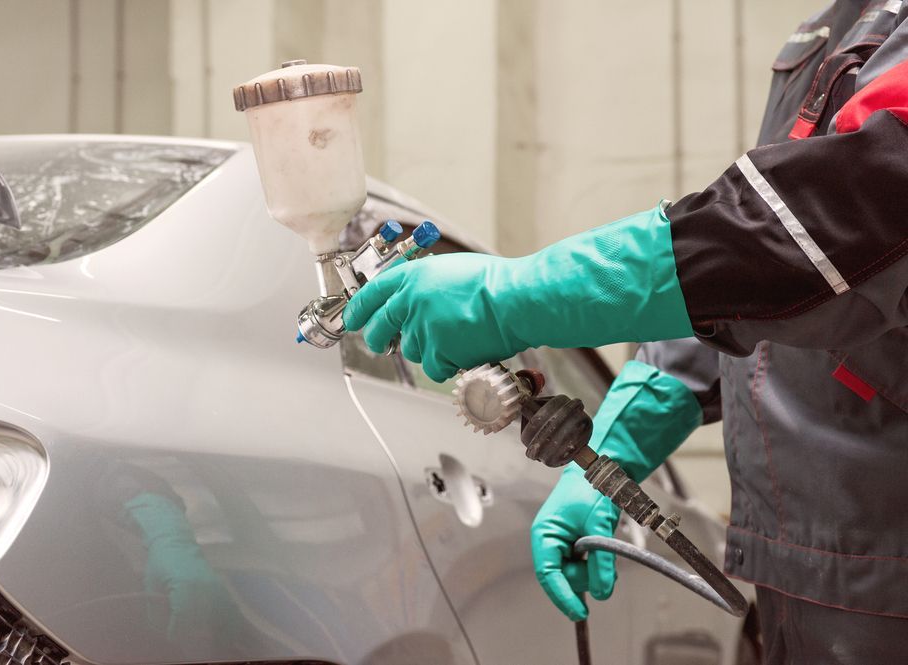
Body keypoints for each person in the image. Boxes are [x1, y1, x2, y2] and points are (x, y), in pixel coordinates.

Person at [342, 1, 908, 661]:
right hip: (817, 568)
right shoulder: (841, 23)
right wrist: (615, 447)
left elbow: (832, 219)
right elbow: (760, 285)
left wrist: (516, 294)